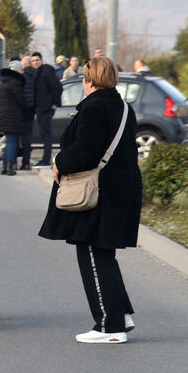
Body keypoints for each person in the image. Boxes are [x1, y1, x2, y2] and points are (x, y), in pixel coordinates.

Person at [39, 56, 141, 344]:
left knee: (93, 253)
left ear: (89, 80)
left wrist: (59, 161)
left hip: (100, 192)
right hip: (120, 189)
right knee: (104, 251)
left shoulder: (95, 108)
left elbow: (86, 150)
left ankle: (110, 327)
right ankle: (122, 313)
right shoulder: (122, 106)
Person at [0, 60, 28, 176]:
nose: (23, 72)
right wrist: (27, 108)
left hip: (3, 117)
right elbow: (21, 101)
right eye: (21, 70)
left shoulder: (4, 82)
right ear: (17, 71)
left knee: (9, 141)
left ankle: (4, 167)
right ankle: (9, 167)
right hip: (12, 117)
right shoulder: (15, 83)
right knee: (12, 142)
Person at [32, 52, 63, 168]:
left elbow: (58, 87)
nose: (35, 63)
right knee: (44, 134)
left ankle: (46, 159)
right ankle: (44, 158)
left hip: (45, 108)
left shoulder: (46, 71)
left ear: (41, 60)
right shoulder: (38, 72)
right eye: (33, 61)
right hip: (40, 107)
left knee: (46, 135)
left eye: (37, 60)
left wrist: (54, 103)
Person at [19, 54, 37, 170]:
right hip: (32, 109)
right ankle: (26, 162)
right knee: (28, 137)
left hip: (22, 109)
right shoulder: (36, 75)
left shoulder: (21, 76)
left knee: (18, 136)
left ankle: (15, 162)